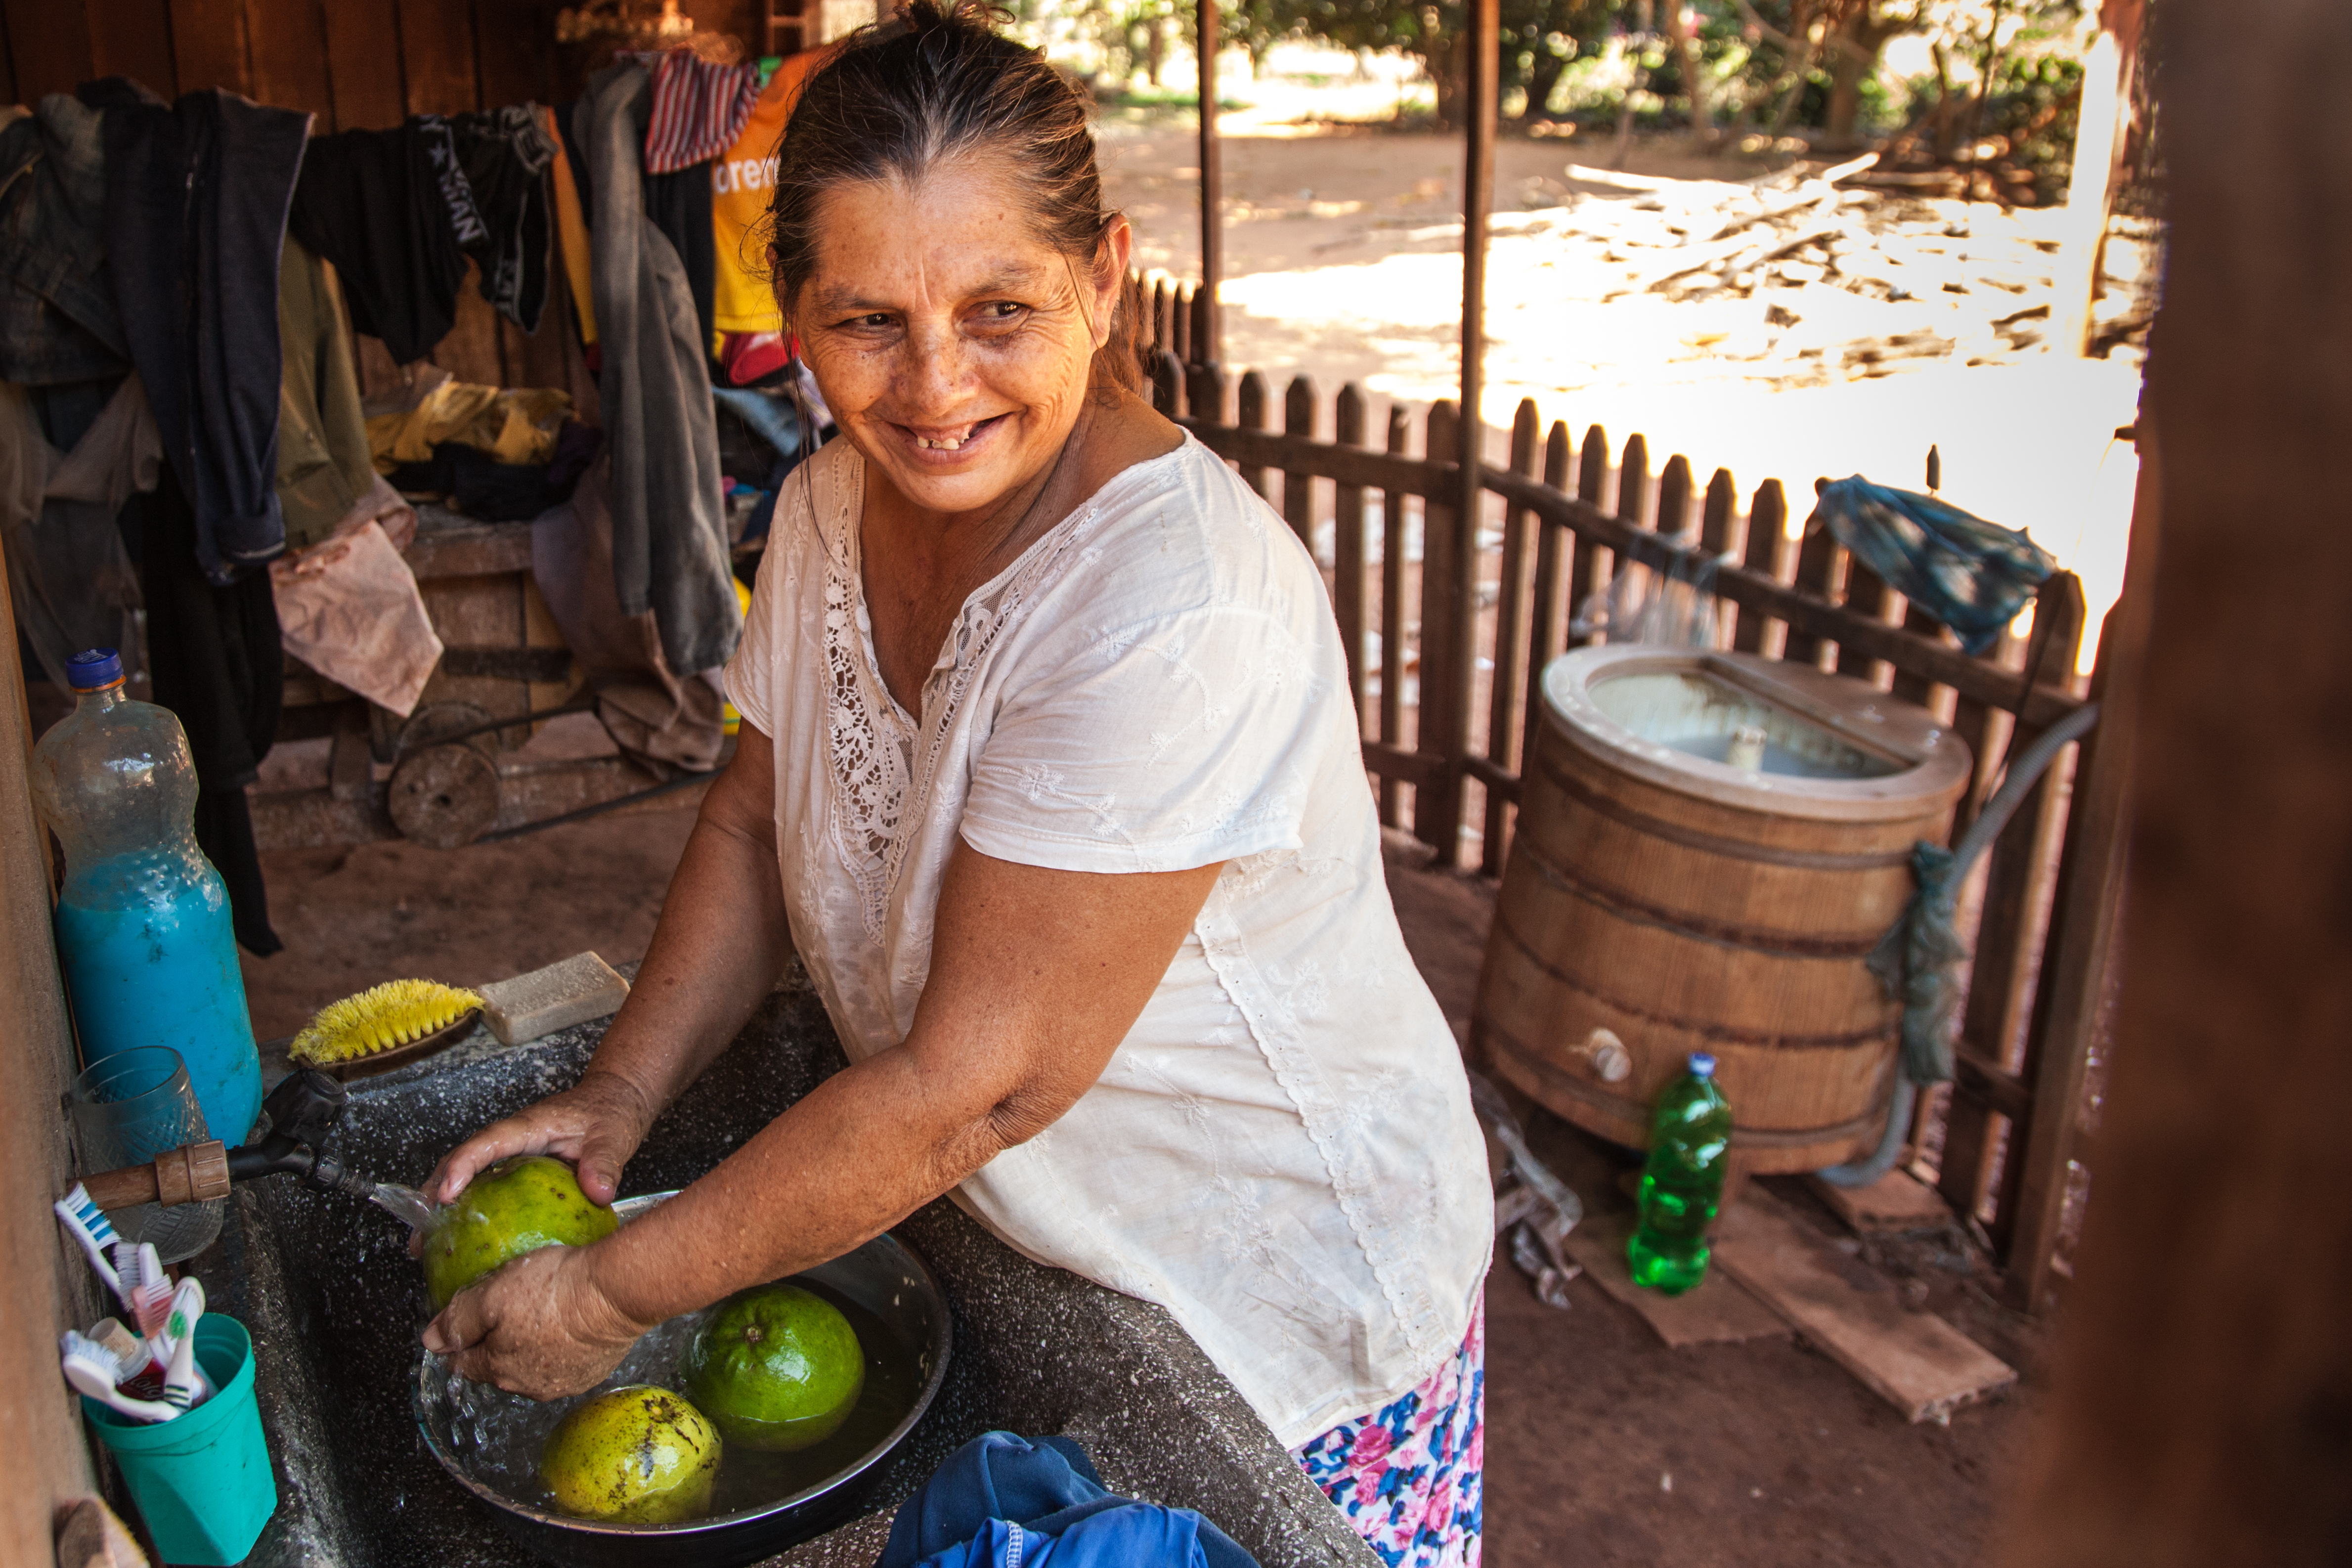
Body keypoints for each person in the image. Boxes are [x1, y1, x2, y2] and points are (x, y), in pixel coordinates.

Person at [421, 6, 1490, 1562]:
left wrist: (610, 1288)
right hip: (1059, 1244)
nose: (935, 387)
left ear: (1106, 275)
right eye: (866, 322)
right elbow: (747, 812)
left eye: (1002, 309)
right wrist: (619, 1097)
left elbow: (979, 1081)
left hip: (1284, 1302)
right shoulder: (822, 507)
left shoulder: (1173, 607)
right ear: (789, 310)